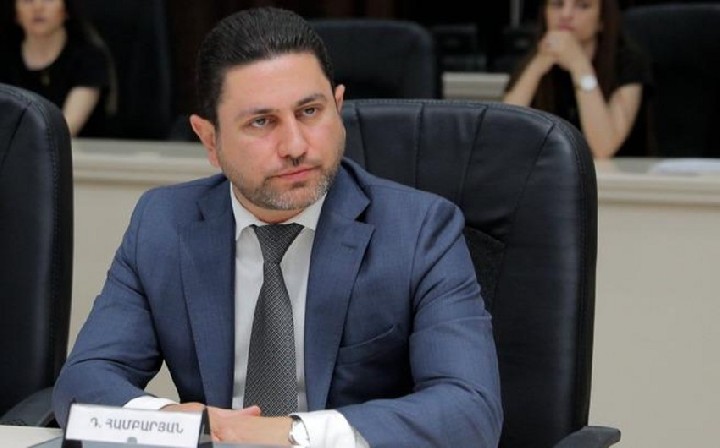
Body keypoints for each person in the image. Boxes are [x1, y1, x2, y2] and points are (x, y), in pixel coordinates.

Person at [52, 6, 503, 448]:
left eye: (310, 112)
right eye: (262, 122)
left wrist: (291, 434)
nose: (294, 146)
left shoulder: (419, 230)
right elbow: (84, 381)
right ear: (210, 140)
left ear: (337, 107)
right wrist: (171, 421)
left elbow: (469, 410)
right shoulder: (165, 223)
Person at [503, 0, 653, 158]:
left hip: (620, 172)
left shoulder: (628, 62)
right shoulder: (531, 61)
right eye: (557, 5)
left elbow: (602, 148)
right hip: (551, 169)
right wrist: (536, 68)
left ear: (602, 19)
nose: (566, 15)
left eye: (582, 6)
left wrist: (579, 65)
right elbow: (503, 132)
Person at [0, 0, 115, 137]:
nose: (38, 7)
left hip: (77, 148)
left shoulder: (89, 57)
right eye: (27, 1)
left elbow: (64, 131)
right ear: (15, 11)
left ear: (66, 9)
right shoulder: (5, 56)